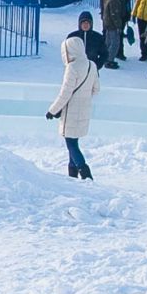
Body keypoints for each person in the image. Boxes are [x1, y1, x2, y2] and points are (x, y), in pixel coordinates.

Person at [47, 28, 100, 180]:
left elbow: (65, 93)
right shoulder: (92, 65)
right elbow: (96, 89)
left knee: (71, 143)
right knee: (74, 140)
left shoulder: (72, 67)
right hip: (84, 109)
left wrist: (52, 110)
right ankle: (72, 175)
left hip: (71, 111)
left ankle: (85, 172)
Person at [99, 0, 131, 66]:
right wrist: (103, 12)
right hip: (111, 14)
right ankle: (108, 56)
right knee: (111, 36)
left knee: (118, 35)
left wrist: (128, 12)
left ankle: (118, 53)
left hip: (122, 12)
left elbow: (128, 0)